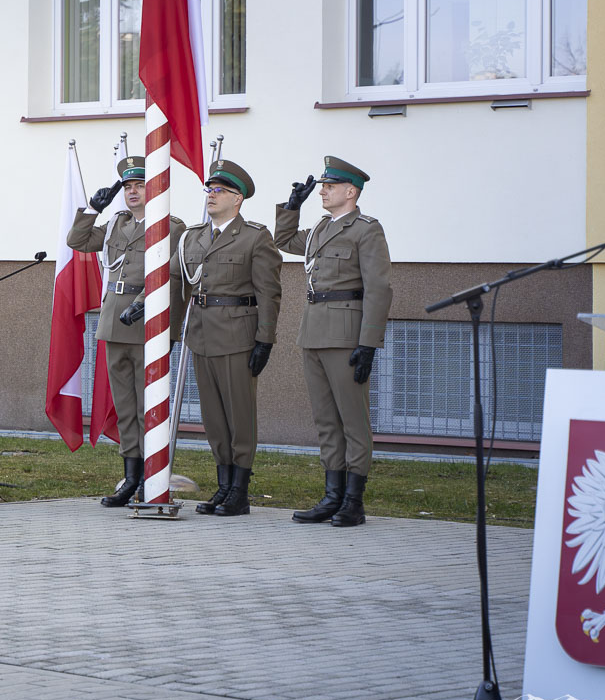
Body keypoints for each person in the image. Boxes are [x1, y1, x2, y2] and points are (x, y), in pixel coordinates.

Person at [274, 156, 392, 528]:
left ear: (350, 191)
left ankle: (353, 501)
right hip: (313, 331)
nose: (322, 191)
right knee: (325, 420)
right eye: (322, 186)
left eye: (329, 186)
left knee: (352, 420)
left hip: (346, 334)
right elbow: (284, 241)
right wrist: (292, 208)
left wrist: (368, 343)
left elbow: (378, 288)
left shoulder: (366, 230)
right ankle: (332, 496)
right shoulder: (321, 229)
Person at [67, 155, 188, 506]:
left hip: (147, 320)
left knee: (147, 405)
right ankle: (130, 477)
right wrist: (93, 209)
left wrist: (154, 314)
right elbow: (77, 240)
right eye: (128, 187)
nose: (133, 192)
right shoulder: (116, 224)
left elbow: (174, 276)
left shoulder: (170, 227)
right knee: (124, 405)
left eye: (140, 185)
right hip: (114, 320)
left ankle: (153, 477)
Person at [177, 158, 282, 517]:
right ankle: (223, 485)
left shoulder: (254, 236)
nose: (211, 195)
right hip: (201, 335)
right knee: (213, 417)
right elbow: (178, 281)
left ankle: (240, 490)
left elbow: (269, 293)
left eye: (219, 190)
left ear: (238, 199)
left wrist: (265, 339)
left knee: (239, 416)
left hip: (237, 336)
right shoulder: (193, 236)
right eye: (209, 189)